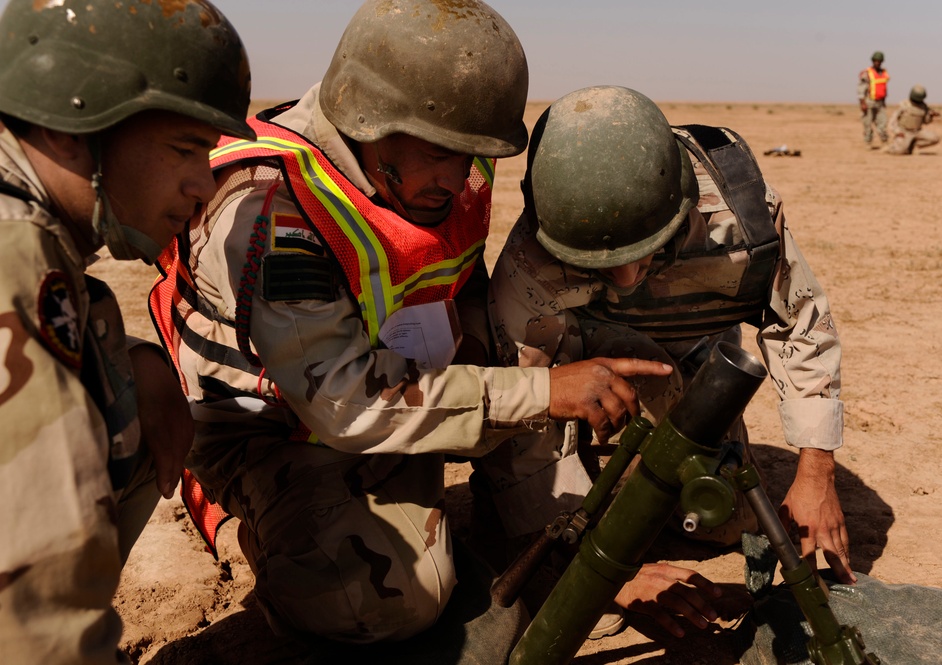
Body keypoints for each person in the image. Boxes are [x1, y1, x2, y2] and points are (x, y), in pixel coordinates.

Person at [149, 0, 674, 650]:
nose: (456, 179)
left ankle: (480, 508)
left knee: (548, 355)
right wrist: (539, 393)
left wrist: (524, 381)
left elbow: (467, 287)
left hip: (408, 376)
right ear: (367, 119)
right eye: (439, 154)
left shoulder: (451, 158)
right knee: (390, 596)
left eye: (471, 155)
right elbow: (344, 401)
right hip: (284, 425)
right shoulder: (267, 208)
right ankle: (239, 516)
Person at [485, 86, 856, 629]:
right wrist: (604, 566)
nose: (627, 279)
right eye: (598, 265)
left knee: (721, 524)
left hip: (694, 362)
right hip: (591, 372)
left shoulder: (743, 218)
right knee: (570, 533)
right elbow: (523, 397)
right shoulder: (531, 257)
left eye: (643, 252)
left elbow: (800, 326)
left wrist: (816, 473)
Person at [0, 1, 254, 664]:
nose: (204, 186)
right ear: (69, 133)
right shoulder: (14, 255)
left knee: (116, 377)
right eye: (183, 150)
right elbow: (30, 591)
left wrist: (133, 353)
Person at [885, 85, 940, 155]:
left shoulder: (924, 106)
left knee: (934, 138)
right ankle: (891, 148)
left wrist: (931, 116)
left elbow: (926, 121)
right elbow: (893, 120)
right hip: (904, 131)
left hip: (917, 131)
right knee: (900, 152)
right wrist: (897, 131)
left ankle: (914, 144)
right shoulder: (904, 105)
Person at [858, 51, 890, 149]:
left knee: (882, 123)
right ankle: (868, 142)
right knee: (867, 123)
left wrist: (884, 102)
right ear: (873, 61)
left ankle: (885, 142)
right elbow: (861, 89)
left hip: (880, 102)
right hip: (869, 101)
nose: (877, 63)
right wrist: (863, 103)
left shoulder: (884, 73)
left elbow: (883, 88)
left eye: (879, 61)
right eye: (876, 61)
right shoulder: (867, 73)